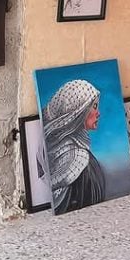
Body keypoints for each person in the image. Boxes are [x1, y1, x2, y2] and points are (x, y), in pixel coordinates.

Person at [41, 79, 106, 214]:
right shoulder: (76, 156)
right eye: (94, 107)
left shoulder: (75, 148)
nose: (98, 113)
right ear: (79, 111)